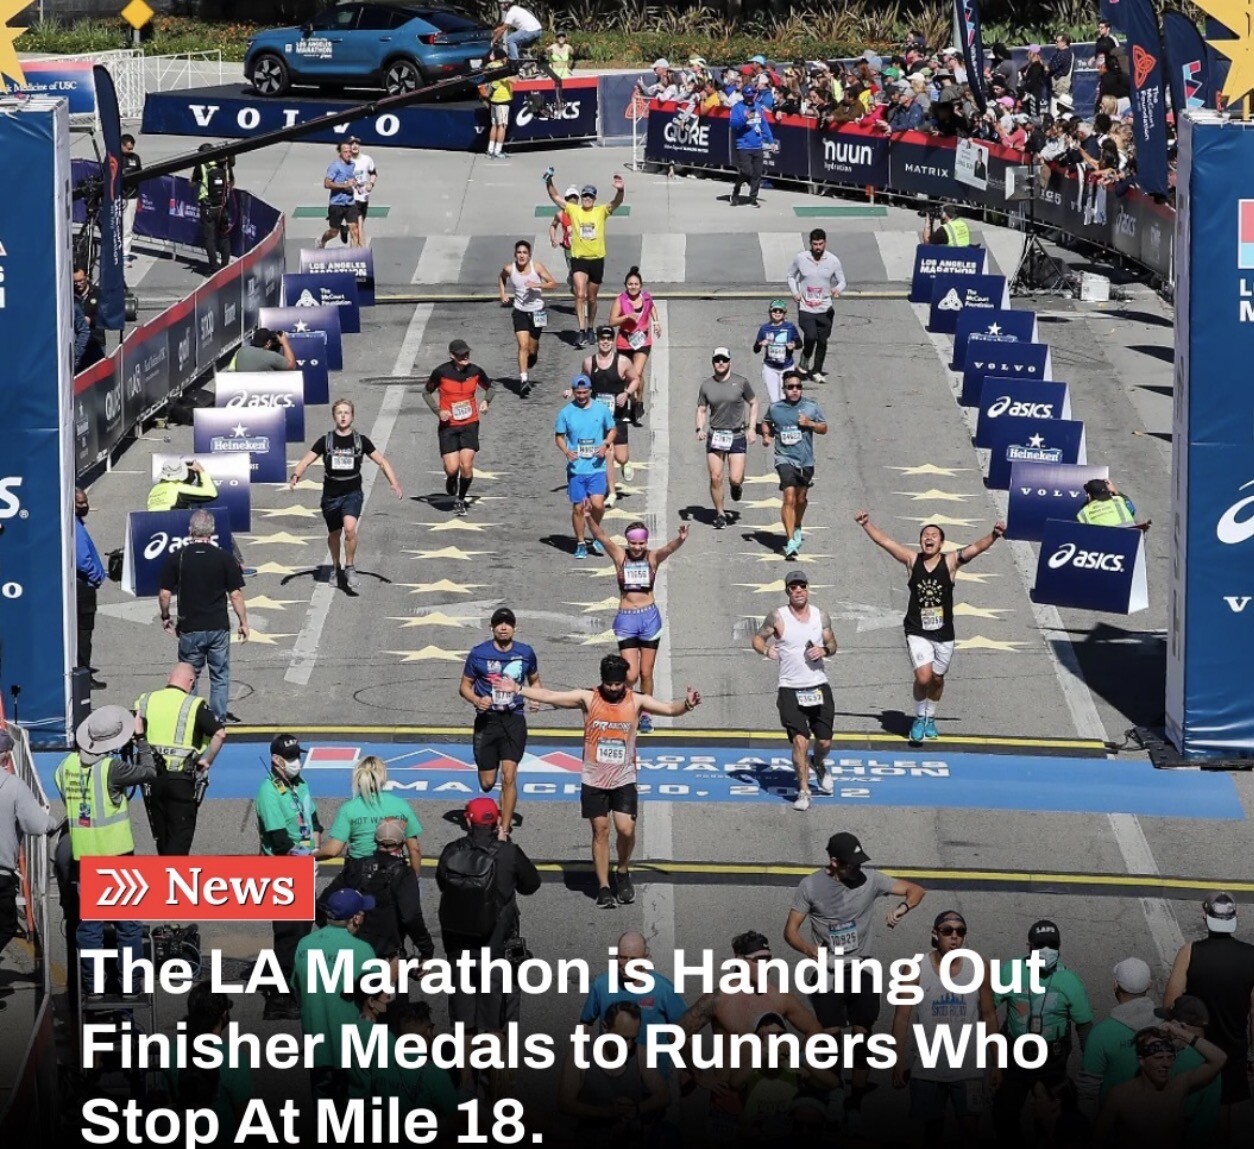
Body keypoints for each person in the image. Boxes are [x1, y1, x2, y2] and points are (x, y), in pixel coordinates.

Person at [496, 654, 700, 909]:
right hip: (594, 779)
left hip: (624, 778)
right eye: (609, 684)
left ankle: (622, 871)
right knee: (600, 831)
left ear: (624, 682)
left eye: (618, 684)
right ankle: (603, 886)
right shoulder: (588, 698)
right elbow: (551, 696)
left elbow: (669, 709)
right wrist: (518, 689)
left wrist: (687, 704)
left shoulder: (637, 700)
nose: (613, 688)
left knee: (626, 829)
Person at [784, 832, 926, 1119]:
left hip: (862, 967)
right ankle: (835, 1092)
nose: (857, 868)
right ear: (834, 862)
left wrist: (901, 909)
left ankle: (856, 1103)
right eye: (851, 864)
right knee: (830, 1038)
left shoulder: (870, 880)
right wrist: (810, 950)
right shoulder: (810, 886)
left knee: (863, 1037)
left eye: (860, 862)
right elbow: (790, 932)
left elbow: (916, 890)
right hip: (828, 970)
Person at [854, 512, 1006, 743]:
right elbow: (885, 542)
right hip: (917, 631)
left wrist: (994, 535)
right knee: (923, 678)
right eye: (925, 535)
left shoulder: (951, 562)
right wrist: (866, 524)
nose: (929, 538)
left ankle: (930, 717)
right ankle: (919, 718)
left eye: (934, 535)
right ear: (920, 541)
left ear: (941, 543)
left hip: (944, 634)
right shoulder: (911, 560)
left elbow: (975, 548)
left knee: (937, 679)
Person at [54, 706, 157, 996]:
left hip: (85, 860)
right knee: (128, 926)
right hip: (117, 859)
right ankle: (130, 986)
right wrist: (141, 739)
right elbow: (150, 772)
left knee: (90, 928)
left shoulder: (64, 767)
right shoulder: (112, 768)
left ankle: (94, 987)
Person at [435, 797, 540, 1074]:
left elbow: (443, 883)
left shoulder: (451, 851)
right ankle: (494, 1083)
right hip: (497, 949)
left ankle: (466, 1083)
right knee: (497, 1020)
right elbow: (531, 885)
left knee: (464, 1022)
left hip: (459, 948)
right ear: (497, 822)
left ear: (467, 820)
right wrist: (505, 845)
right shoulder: (508, 852)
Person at [891, 910, 1000, 1140]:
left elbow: (989, 1015)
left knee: (970, 1132)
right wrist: (897, 1060)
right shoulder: (916, 968)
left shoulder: (978, 966)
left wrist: (997, 1063)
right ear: (935, 934)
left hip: (969, 1069)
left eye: (960, 932)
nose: (954, 937)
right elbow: (901, 1017)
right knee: (931, 1134)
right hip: (927, 1069)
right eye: (947, 931)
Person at [992, 920, 1095, 1141]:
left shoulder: (1070, 981)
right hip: (1014, 1056)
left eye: (1052, 945)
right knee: (1004, 1115)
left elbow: (1084, 1026)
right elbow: (988, 1008)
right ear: (1029, 947)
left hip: (1052, 1060)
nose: (1046, 950)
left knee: (1052, 1115)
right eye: (1040, 945)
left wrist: (1092, 1067)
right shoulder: (1011, 971)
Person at [584, 516, 688, 732]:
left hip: (649, 619)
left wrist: (680, 538)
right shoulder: (620, 556)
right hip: (626, 620)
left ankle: (646, 714)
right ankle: (625, 706)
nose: (637, 547)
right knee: (630, 675)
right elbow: (601, 536)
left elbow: (669, 548)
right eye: (633, 543)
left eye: (641, 543)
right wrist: (588, 518)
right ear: (627, 542)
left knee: (646, 673)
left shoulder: (652, 558)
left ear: (646, 542)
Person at [1163, 892, 1254, 1131]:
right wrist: (1252, 1056)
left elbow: (1169, 1005)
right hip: (1233, 1048)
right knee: (1222, 1112)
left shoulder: (1189, 953)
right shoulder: (1251, 956)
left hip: (1196, 1046)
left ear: (1204, 915)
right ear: (1237, 915)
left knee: (1188, 1110)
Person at [290, 398, 404, 589]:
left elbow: (382, 462)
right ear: (334, 416)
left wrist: (394, 483)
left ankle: (349, 566)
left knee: (350, 529)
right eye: (339, 413)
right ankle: (336, 567)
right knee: (334, 534)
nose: (343, 416)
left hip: (352, 494)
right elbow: (306, 461)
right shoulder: (326, 441)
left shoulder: (361, 441)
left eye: (346, 413)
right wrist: (296, 475)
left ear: (352, 416)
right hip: (331, 497)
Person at [752, 569, 837, 811]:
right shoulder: (778, 617)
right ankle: (804, 790)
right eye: (793, 587)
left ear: (808, 589)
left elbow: (832, 643)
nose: (798, 591)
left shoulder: (820, 616)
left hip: (818, 685)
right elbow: (757, 639)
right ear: (787, 591)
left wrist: (824, 650)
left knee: (824, 742)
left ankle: (817, 763)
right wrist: (766, 650)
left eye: (802, 586)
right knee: (800, 740)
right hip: (790, 687)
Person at [158, 509, 248, 723]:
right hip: (218, 627)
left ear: (190, 530)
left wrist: (165, 616)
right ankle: (217, 720)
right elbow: (235, 594)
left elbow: (164, 594)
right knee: (220, 675)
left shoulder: (178, 557)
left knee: (190, 675)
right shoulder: (224, 558)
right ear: (212, 530)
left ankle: (191, 718)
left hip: (190, 627)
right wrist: (243, 622)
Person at [460, 608, 542, 840]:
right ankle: (480, 808)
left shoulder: (525, 653)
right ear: (492, 627)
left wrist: (535, 697)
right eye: (499, 623)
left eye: (508, 624)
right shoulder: (478, 654)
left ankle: (504, 829)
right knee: (487, 783)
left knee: (509, 776)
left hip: (514, 719)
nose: (503, 627)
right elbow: (464, 686)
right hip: (487, 721)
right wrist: (477, 700)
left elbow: (535, 681)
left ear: (515, 628)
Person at [256, 733, 320, 1021]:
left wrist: (315, 850)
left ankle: (294, 985)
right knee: (287, 935)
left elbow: (314, 820)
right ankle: (278, 996)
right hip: (282, 872)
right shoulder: (268, 792)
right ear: (276, 760)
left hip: (304, 868)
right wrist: (306, 857)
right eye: (291, 758)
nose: (297, 762)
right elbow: (279, 840)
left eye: (297, 756)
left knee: (303, 932)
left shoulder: (300, 784)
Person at [295, 887, 378, 1106]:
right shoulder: (363, 950)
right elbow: (378, 998)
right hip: (352, 1049)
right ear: (356, 918)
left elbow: (297, 989)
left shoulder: (304, 945)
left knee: (323, 1110)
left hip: (317, 1048)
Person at [134, 662, 226, 856]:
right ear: (191, 682)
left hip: (153, 780)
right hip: (181, 781)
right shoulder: (194, 705)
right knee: (179, 842)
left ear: (169, 678)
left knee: (162, 840)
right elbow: (219, 734)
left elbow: (134, 731)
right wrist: (207, 761)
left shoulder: (145, 700)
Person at [319, 818, 434, 962]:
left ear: (375, 840)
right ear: (402, 842)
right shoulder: (404, 874)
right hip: (387, 952)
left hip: (352, 950)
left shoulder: (356, 866)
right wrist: (426, 949)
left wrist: (333, 935)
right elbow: (411, 917)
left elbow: (323, 903)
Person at [1094, 1024, 1227, 1146]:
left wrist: (1180, 1033)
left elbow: (1219, 1059)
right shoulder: (1120, 1095)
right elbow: (1098, 1139)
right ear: (1142, 1061)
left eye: (1169, 1057)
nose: (1165, 1064)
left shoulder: (1179, 1086)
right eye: (1158, 1058)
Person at [578, 931, 688, 1078]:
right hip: (611, 1074)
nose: (627, 964)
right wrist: (579, 1057)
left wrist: (688, 1069)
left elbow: (685, 1028)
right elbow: (586, 1023)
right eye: (622, 957)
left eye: (633, 959)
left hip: (655, 1077)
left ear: (645, 958)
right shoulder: (602, 985)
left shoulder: (663, 989)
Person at [558, 1000, 670, 1136]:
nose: (628, 1046)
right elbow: (564, 1103)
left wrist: (636, 1110)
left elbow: (664, 1096)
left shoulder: (640, 1054)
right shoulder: (581, 1053)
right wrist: (606, 1112)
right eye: (622, 1039)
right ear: (605, 1028)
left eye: (632, 1039)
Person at [543, 170, 626, 347]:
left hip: (596, 258)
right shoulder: (574, 210)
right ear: (581, 198)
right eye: (585, 196)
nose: (587, 198)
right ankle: (581, 331)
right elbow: (555, 197)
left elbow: (617, 202)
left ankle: (590, 328)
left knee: (592, 298)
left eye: (590, 196)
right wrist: (548, 181)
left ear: (594, 198)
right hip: (579, 258)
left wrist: (620, 190)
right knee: (580, 294)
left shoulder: (600, 211)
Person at [0, 734, 58, 968]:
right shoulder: (13, 786)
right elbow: (36, 824)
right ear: (6, 756)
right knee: (6, 925)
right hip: (1, 872)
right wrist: (52, 823)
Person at [1078, 957, 1159, 1112]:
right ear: (1149, 985)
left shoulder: (1101, 1033)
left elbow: (1088, 1090)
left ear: (1115, 985)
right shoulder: (1167, 1026)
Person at [424, 340, 494, 515]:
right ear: (452, 356)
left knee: (466, 465)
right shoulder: (441, 372)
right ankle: (451, 478)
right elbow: (426, 392)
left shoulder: (475, 371)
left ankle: (460, 499)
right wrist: (438, 411)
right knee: (452, 468)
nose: (465, 356)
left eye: (467, 353)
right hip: (448, 426)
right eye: (461, 354)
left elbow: (490, 388)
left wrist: (486, 401)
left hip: (470, 423)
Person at [762, 371, 827, 559]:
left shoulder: (810, 407)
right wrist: (766, 436)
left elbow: (824, 428)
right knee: (789, 497)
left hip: (805, 461)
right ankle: (790, 541)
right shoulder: (776, 408)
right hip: (784, 459)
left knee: (800, 499)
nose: (795, 390)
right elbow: (766, 422)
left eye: (798, 386)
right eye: (791, 387)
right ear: (784, 389)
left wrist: (810, 423)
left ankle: (797, 524)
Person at [318, 755, 423, 870]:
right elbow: (414, 850)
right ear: (383, 777)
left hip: (359, 871)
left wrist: (310, 856)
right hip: (393, 871)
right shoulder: (401, 805)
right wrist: (414, 877)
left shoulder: (349, 808)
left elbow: (332, 850)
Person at [555, 373, 616, 559]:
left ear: (590, 391)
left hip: (597, 467)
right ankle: (581, 543)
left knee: (598, 504)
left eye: (584, 392)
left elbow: (612, 430)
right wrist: (566, 451)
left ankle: (596, 533)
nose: (581, 396)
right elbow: (559, 437)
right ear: (573, 392)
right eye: (578, 393)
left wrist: (605, 444)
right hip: (577, 469)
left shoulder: (601, 410)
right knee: (579, 508)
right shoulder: (565, 413)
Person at [696, 347, 758, 530]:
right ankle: (720, 514)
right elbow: (701, 409)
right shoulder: (706, 385)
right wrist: (699, 428)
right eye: (717, 360)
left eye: (724, 359)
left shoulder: (741, 382)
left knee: (735, 478)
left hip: (736, 435)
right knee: (715, 477)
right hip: (716, 435)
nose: (721, 363)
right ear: (713, 362)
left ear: (730, 361)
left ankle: (736, 486)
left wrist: (752, 428)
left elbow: (754, 402)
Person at [580, 326, 641, 506]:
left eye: (608, 338)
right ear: (598, 340)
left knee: (620, 457)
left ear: (613, 341)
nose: (605, 341)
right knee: (607, 452)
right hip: (597, 417)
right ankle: (610, 491)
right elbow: (582, 381)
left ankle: (625, 463)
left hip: (617, 414)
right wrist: (572, 391)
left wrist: (626, 393)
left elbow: (635, 379)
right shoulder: (589, 362)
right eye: (602, 338)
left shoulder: (622, 362)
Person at [786, 229, 845, 383]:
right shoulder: (801, 258)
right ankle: (804, 362)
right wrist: (795, 292)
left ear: (825, 243)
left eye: (820, 244)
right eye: (815, 244)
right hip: (806, 307)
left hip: (824, 307)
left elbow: (842, 281)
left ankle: (817, 370)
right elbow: (791, 276)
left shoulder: (833, 260)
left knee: (822, 341)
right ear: (810, 244)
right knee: (810, 336)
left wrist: (837, 289)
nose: (818, 247)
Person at [499, 240, 556, 397]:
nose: (522, 255)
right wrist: (503, 293)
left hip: (538, 311)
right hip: (520, 311)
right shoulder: (509, 269)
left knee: (532, 348)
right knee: (523, 346)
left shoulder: (536, 267)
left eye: (525, 253)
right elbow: (502, 278)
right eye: (519, 252)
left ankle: (533, 354)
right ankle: (524, 380)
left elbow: (553, 284)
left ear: (529, 255)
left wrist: (537, 285)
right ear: (515, 254)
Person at [608, 267, 660, 427]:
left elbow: (652, 308)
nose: (633, 287)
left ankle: (638, 401)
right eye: (630, 284)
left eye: (636, 284)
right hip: (625, 341)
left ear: (641, 285)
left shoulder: (646, 298)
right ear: (625, 285)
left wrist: (656, 322)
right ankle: (629, 402)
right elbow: (612, 321)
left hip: (642, 340)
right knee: (627, 375)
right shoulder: (621, 300)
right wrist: (626, 317)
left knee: (636, 373)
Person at [74, 488, 106, 691]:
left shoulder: (76, 524)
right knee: (84, 633)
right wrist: (96, 576)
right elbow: (82, 560)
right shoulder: (75, 528)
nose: (85, 506)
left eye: (85, 502)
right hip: (83, 587)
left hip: (83, 586)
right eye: (80, 503)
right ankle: (83, 674)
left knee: (83, 632)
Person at [730, 79, 776, 207]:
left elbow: (764, 124)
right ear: (744, 96)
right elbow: (734, 124)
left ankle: (752, 198)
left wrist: (771, 141)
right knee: (747, 172)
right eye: (748, 97)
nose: (750, 100)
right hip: (743, 145)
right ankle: (736, 191)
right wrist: (746, 118)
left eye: (752, 97)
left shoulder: (758, 107)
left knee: (757, 173)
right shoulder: (737, 107)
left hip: (757, 144)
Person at [753, 299, 802, 409]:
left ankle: (787, 418)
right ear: (770, 312)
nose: (777, 313)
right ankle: (777, 418)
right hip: (770, 368)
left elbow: (800, 343)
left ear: (784, 313)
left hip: (787, 367)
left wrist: (794, 345)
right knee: (774, 400)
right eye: (775, 310)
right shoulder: (764, 328)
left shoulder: (790, 327)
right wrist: (761, 344)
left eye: (780, 311)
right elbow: (755, 349)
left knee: (786, 397)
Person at [193, 144, 232, 274]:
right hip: (222, 207)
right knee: (224, 237)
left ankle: (214, 268)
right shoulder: (225, 165)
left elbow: (191, 183)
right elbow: (231, 182)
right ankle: (225, 266)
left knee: (209, 239)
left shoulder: (201, 166)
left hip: (208, 208)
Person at [316, 141, 359, 249]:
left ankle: (353, 255)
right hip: (336, 203)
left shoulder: (352, 165)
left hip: (350, 203)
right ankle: (322, 241)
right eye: (345, 152)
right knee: (333, 232)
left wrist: (356, 184)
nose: (348, 154)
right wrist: (344, 185)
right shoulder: (335, 167)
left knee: (355, 231)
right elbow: (327, 184)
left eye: (350, 151)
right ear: (340, 152)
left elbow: (351, 179)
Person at [480, 49, 515, 160]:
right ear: (502, 58)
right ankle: (498, 151)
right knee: (502, 126)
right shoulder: (501, 68)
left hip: (494, 100)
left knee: (494, 125)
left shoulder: (489, 66)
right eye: (505, 58)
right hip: (502, 100)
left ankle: (490, 150)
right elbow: (514, 81)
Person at [1077, 478, 1150, 529]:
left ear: (1089, 495)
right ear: (1108, 490)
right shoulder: (1118, 499)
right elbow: (1132, 510)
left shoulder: (1082, 513)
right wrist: (1115, 491)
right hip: (1130, 536)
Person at [226, 327, 296, 371]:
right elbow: (291, 366)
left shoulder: (240, 351)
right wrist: (285, 343)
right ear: (268, 343)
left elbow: (231, 370)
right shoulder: (269, 356)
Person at [348, 137, 376, 245]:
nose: (355, 146)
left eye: (356, 143)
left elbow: (373, 173)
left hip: (364, 198)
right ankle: (361, 252)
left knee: (357, 228)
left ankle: (346, 231)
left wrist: (371, 184)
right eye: (352, 144)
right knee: (358, 229)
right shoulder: (347, 162)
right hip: (351, 198)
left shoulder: (367, 160)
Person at [120, 133, 141, 266]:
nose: (130, 150)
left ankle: (125, 254)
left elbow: (140, 175)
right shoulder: (113, 157)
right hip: (116, 197)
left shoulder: (135, 158)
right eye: (128, 148)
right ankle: (113, 253)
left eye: (132, 148)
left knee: (127, 227)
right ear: (122, 146)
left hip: (131, 196)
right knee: (115, 226)